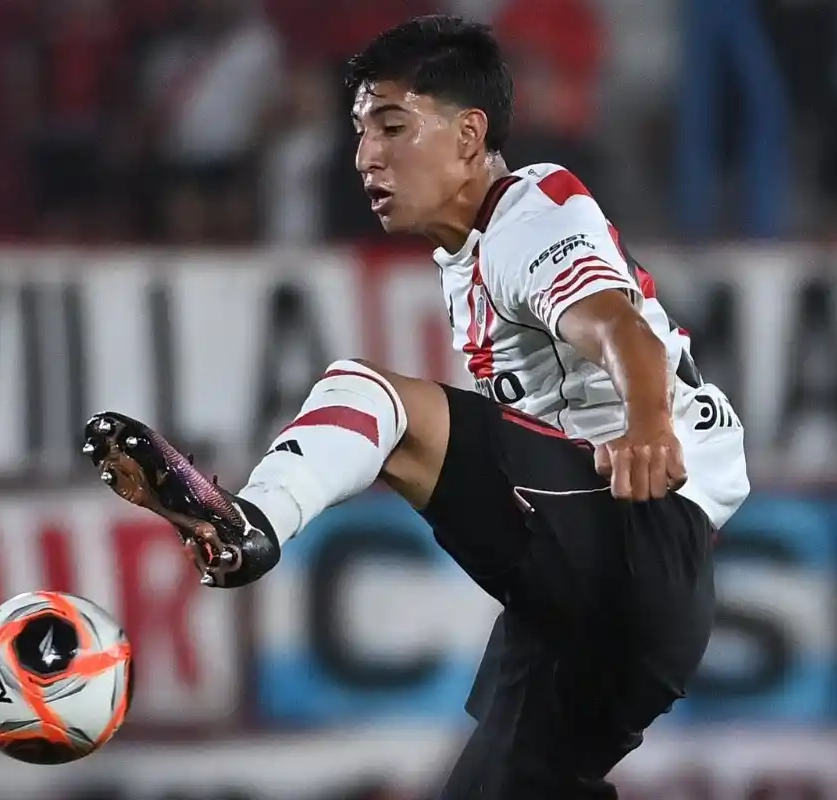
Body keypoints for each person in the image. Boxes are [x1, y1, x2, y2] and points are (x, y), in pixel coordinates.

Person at [83, 15, 749, 798]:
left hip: (629, 528)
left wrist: (645, 423)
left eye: (392, 126)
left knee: (375, 403)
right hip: (604, 603)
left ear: (469, 135)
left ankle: (250, 524)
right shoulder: (471, 252)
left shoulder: (533, 211)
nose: (367, 155)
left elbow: (616, 326)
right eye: (361, 132)